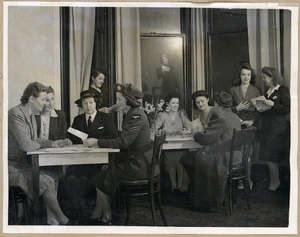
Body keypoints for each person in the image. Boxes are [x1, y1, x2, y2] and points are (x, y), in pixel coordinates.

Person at [82, 83, 152, 225]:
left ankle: (106, 216)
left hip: (139, 166)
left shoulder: (136, 115)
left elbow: (124, 143)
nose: (117, 102)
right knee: (102, 173)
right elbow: (126, 137)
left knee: (101, 177)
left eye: (119, 99)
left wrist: (97, 141)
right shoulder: (132, 112)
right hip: (138, 161)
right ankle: (100, 212)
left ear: (128, 100)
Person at [8, 82, 70, 225]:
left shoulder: (30, 115)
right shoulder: (15, 114)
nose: (45, 103)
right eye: (42, 99)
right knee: (46, 181)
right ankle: (63, 219)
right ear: (31, 99)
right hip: (9, 166)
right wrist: (34, 143)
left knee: (52, 177)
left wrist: (53, 143)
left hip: (22, 164)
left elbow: (35, 141)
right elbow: (26, 145)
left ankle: (54, 220)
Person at [180, 90, 241, 211]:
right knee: (193, 160)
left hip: (222, 156)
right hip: (235, 155)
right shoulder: (234, 116)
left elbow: (206, 139)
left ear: (218, 104)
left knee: (187, 158)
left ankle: (206, 198)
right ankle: (207, 191)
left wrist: (196, 134)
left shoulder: (220, 115)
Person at [66, 89, 118, 220]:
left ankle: (100, 211)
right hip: (82, 160)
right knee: (70, 174)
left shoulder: (105, 118)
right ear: (81, 105)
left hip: (101, 161)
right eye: (85, 103)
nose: (88, 106)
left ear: (96, 103)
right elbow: (71, 138)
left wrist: (95, 142)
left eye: (91, 102)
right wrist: (70, 141)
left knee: (101, 175)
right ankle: (77, 210)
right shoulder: (77, 120)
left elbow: (113, 136)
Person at [259, 66, 290, 191]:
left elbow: (287, 108)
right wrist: (261, 108)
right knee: (268, 157)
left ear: (273, 77)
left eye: (265, 77)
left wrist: (273, 105)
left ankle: (275, 182)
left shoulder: (282, 89)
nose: (264, 80)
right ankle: (274, 181)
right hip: (267, 127)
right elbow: (267, 111)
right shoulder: (267, 92)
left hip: (278, 129)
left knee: (271, 157)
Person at [155, 92, 192, 193]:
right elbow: (154, 129)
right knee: (171, 162)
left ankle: (180, 187)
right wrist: (161, 131)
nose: (176, 105)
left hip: (181, 145)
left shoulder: (182, 113)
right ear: (167, 104)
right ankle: (174, 186)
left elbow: (190, 127)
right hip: (168, 146)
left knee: (181, 162)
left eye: (177, 103)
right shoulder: (162, 115)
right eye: (173, 103)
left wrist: (186, 130)